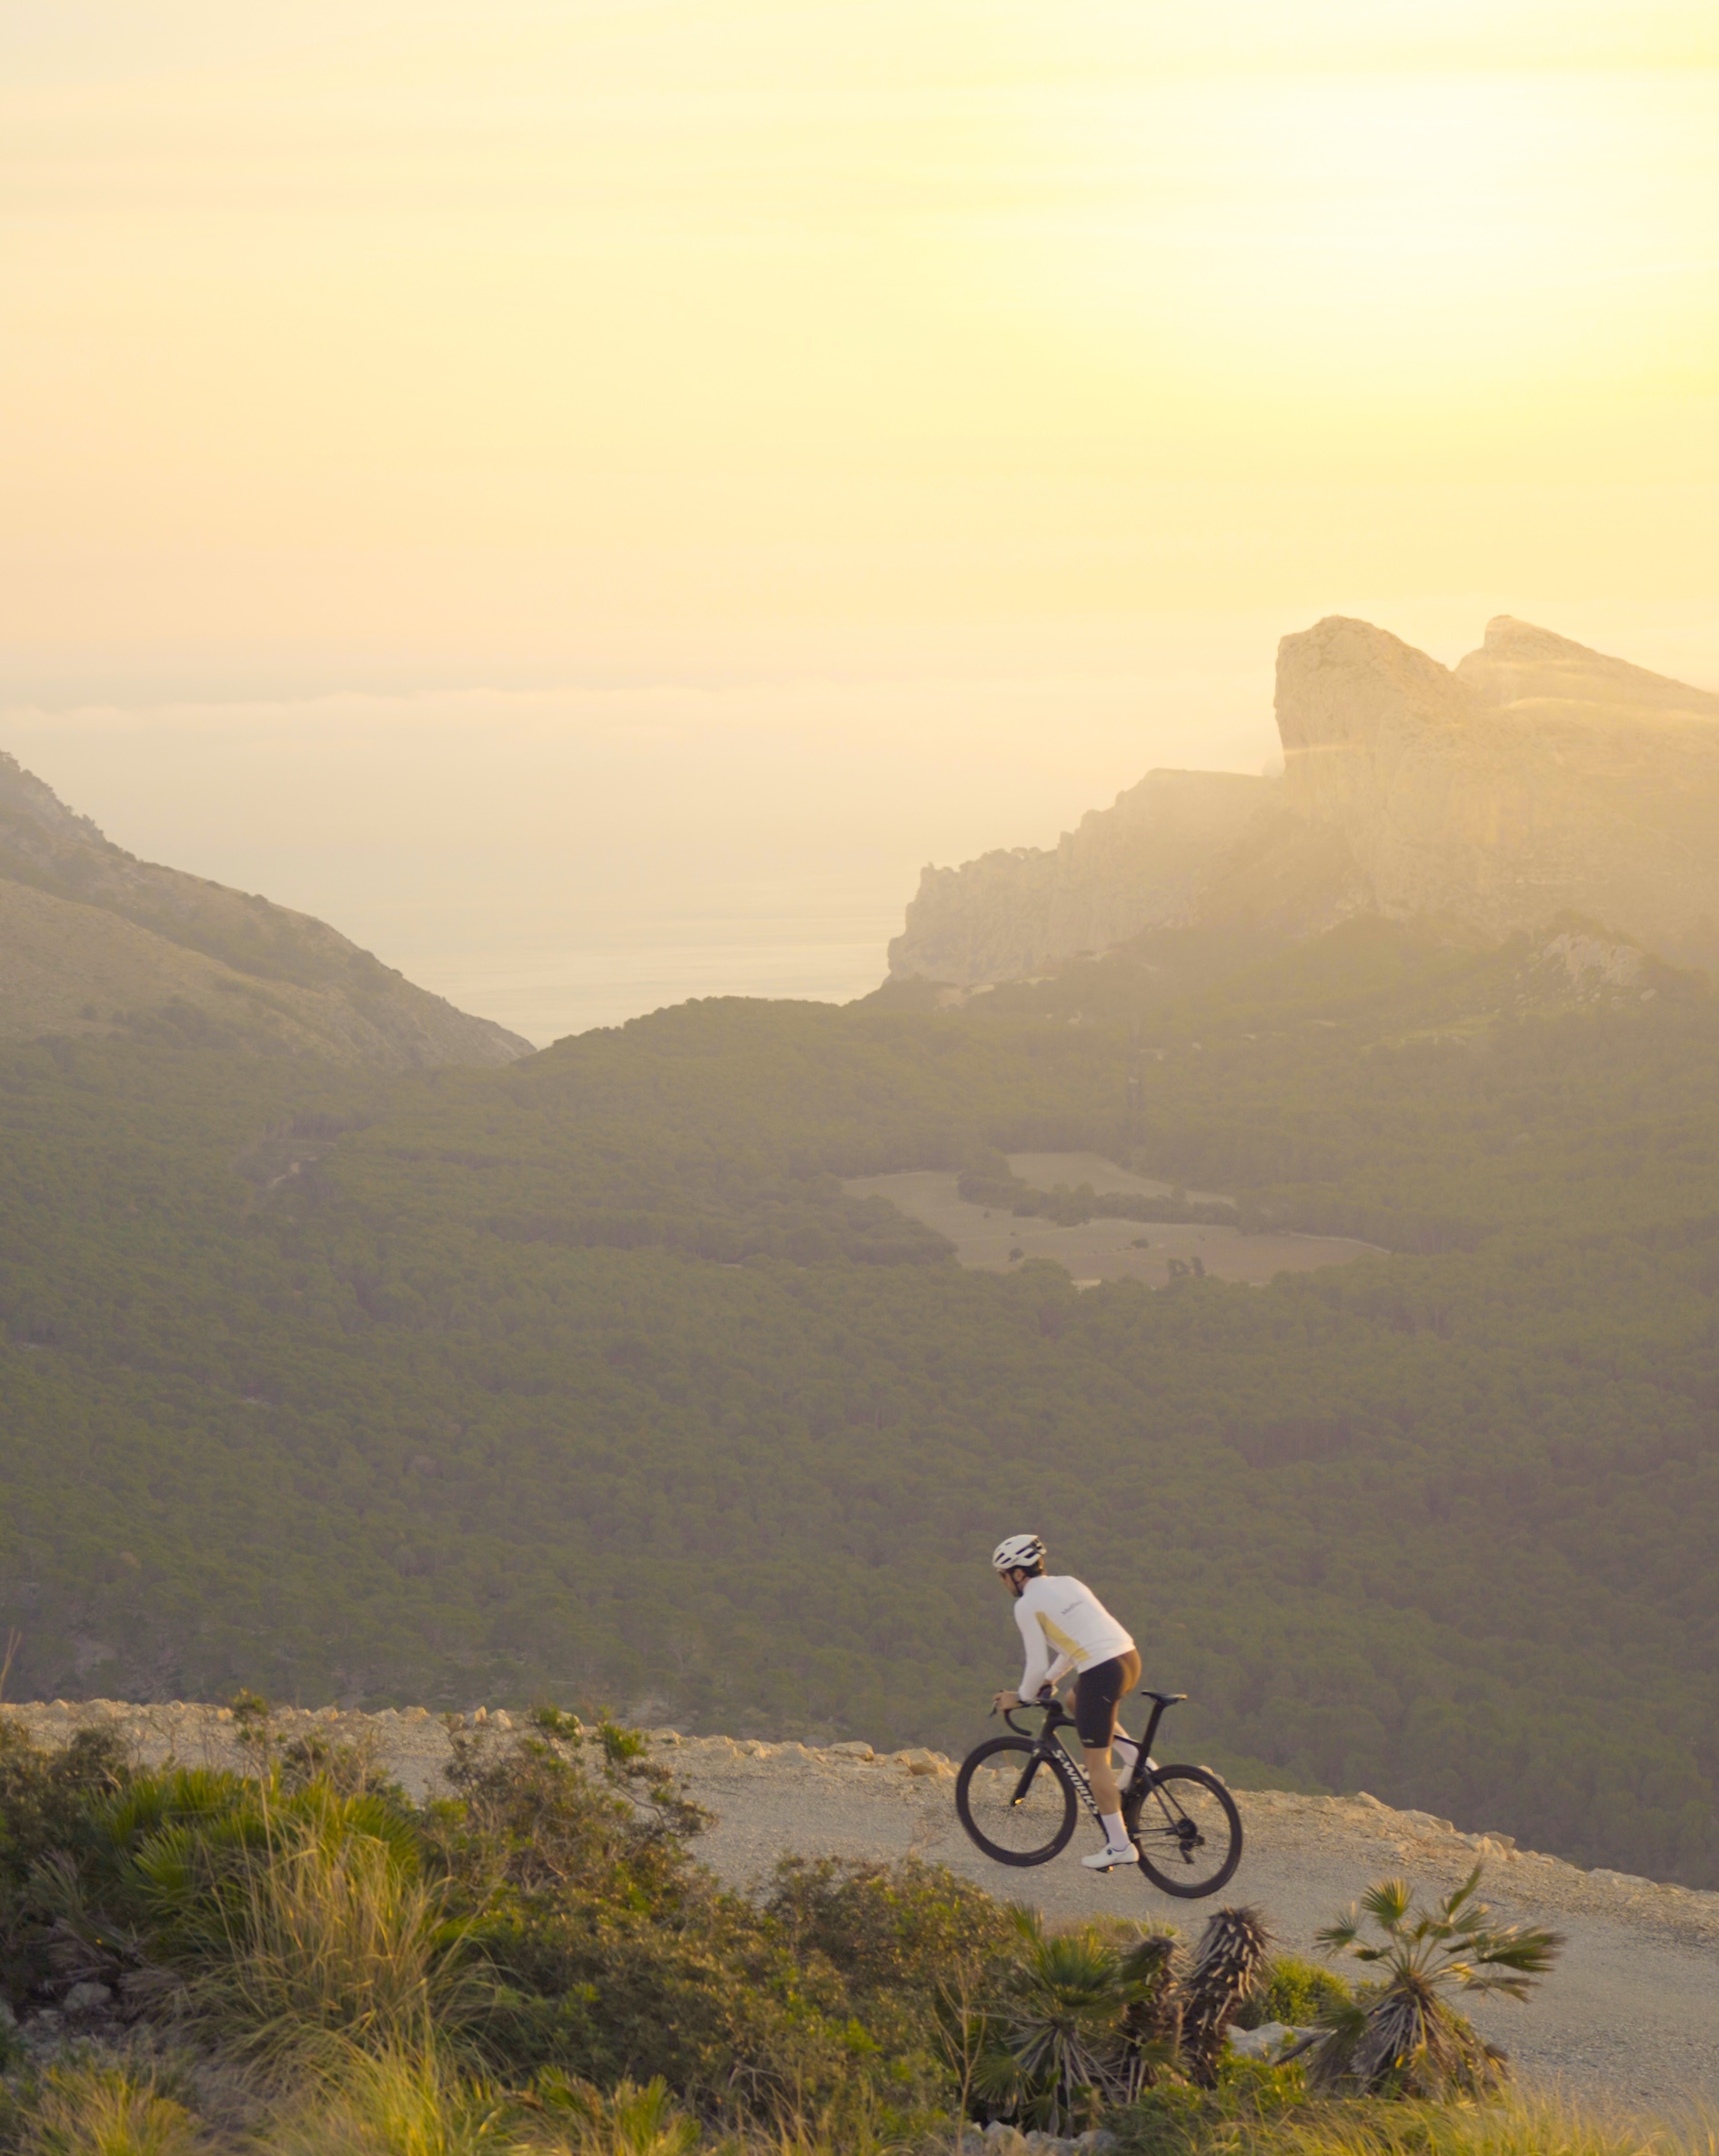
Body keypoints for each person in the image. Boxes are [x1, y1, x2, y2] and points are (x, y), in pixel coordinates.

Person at [990, 1533, 1143, 1869]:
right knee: (1076, 1700)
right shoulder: (1069, 1583)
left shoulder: (1026, 1605)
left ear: (1016, 1574)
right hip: (1128, 1658)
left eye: (1002, 1576)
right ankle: (1137, 1760)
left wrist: (1021, 1698)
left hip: (1101, 1671)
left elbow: (1036, 1664)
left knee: (1097, 1763)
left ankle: (1119, 1846)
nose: (1003, 1583)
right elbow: (1072, 1647)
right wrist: (1049, 1683)